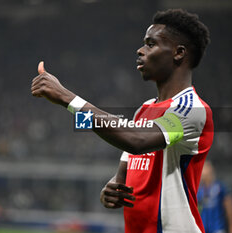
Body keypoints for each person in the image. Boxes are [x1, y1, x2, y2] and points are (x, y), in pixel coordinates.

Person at [31, 9, 213, 233]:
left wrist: (67, 98)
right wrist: (110, 190)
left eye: (150, 44)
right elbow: (123, 175)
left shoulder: (191, 108)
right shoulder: (144, 110)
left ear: (178, 53)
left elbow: (135, 140)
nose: (140, 50)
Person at [197, 161, 232, 233]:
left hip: (217, 229)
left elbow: (230, 206)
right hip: (201, 229)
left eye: (205, 167)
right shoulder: (198, 190)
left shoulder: (220, 187)